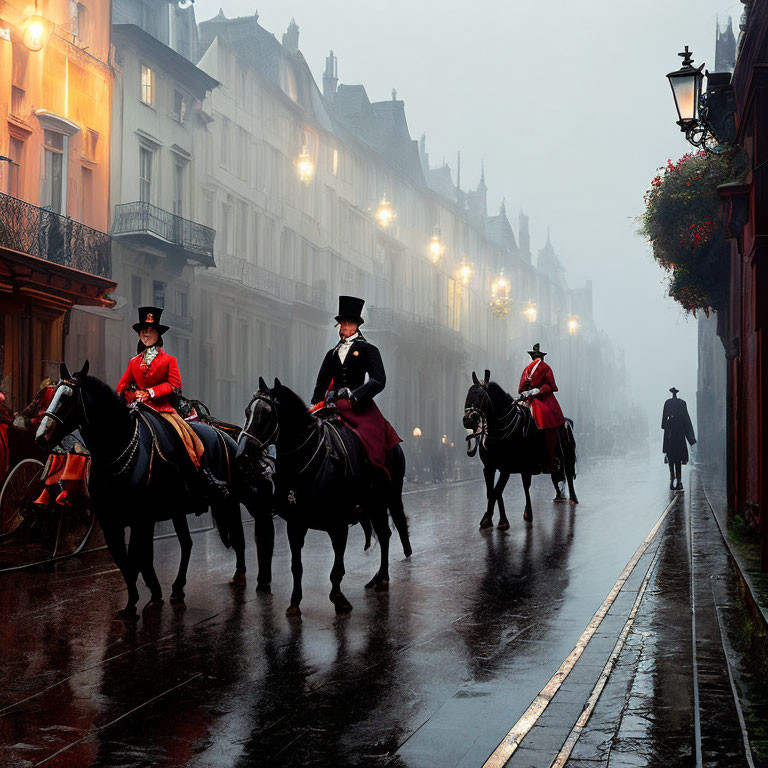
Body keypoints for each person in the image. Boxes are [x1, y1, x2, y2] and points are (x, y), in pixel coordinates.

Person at [116, 306, 228, 499]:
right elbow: (121, 388)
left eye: (150, 330)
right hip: (137, 410)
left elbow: (175, 386)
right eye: (143, 331)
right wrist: (134, 396)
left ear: (157, 335)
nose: (146, 333)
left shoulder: (169, 360)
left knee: (185, 436)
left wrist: (150, 392)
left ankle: (203, 474)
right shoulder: (134, 362)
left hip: (163, 410)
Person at [310, 296, 401, 478]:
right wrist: (318, 402)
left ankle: (374, 474)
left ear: (355, 326)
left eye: (346, 324)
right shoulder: (332, 353)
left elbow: (378, 380)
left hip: (358, 405)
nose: (343, 327)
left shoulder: (369, 350)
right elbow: (321, 382)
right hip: (333, 405)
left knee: (372, 436)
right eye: (341, 324)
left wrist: (354, 394)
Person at [518, 343, 565, 471]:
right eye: (535, 356)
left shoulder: (546, 368)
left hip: (544, 398)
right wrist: (525, 392)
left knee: (546, 416)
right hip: (529, 398)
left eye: (538, 356)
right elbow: (523, 385)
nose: (537, 358)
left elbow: (551, 385)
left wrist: (538, 390)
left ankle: (551, 457)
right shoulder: (527, 369)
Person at [661, 387, 696, 491]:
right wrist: (691, 438)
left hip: (670, 434)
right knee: (678, 459)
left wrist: (666, 425)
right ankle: (679, 481)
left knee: (671, 458)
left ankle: (672, 480)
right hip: (679, 433)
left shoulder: (667, 403)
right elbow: (686, 420)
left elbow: (663, 423)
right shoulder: (682, 404)